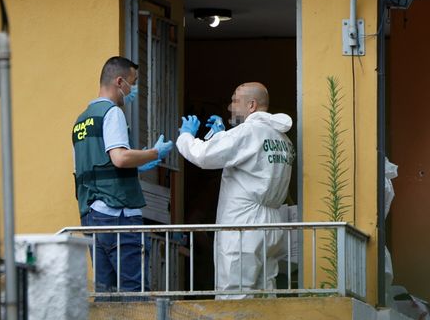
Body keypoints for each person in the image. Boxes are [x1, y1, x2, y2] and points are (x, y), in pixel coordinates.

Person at [175, 82, 294, 298]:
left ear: (251, 105)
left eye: (235, 101)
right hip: (270, 224)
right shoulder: (281, 138)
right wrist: (222, 137)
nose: (230, 107)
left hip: (243, 225)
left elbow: (203, 155)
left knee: (235, 295)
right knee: (264, 294)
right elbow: (251, 165)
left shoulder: (248, 132)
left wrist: (185, 137)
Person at [72, 56, 172, 294]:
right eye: (133, 82)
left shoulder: (81, 121)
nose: (133, 89)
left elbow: (93, 167)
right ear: (120, 82)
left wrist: (137, 165)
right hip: (118, 214)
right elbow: (119, 157)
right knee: (133, 293)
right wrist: (153, 153)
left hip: (92, 216)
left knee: (105, 295)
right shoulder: (112, 113)